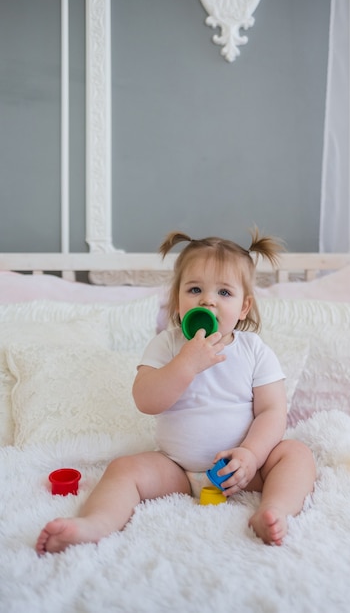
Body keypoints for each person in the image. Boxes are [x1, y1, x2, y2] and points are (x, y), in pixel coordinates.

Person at [36, 228, 316, 554]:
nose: (207, 300)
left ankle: (275, 510)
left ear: (244, 307)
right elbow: (146, 400)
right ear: (177, 299)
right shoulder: (167, 345)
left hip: (242, 472)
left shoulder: (255, 350)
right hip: (177, 470)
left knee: (296, 455)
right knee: (123, 470)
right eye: (195, 289)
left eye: (224, 293)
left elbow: (272, 410)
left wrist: (252, 456)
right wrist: (185, 364)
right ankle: (95, 523)